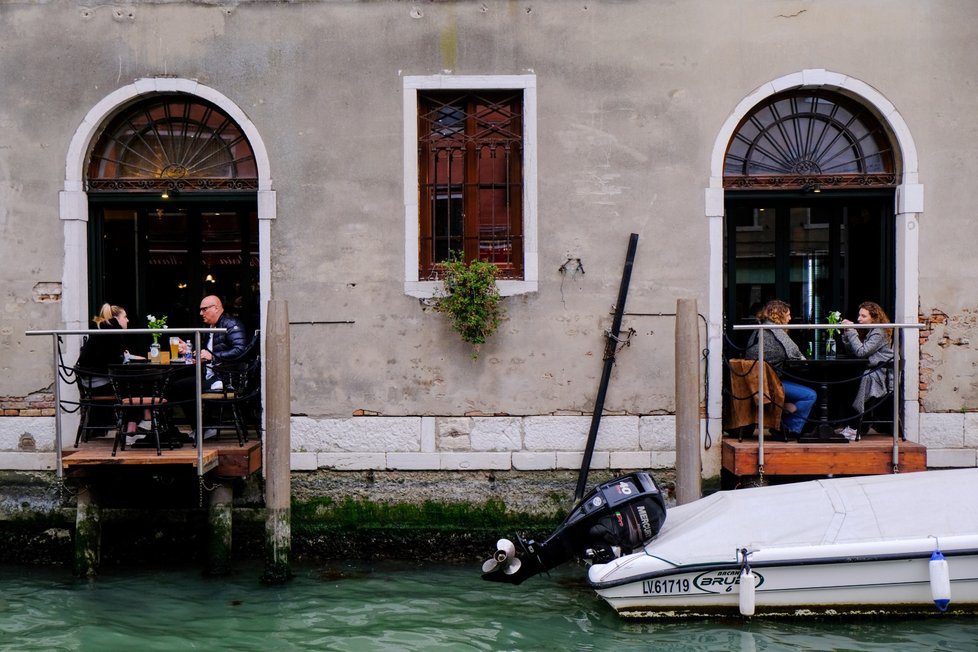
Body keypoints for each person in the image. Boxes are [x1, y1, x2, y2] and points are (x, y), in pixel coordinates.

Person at [172, 295, 248, 439]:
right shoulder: (213, 327)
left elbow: (241, 350)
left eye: (204, 309)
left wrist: (212, 356)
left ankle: (205, 427)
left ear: (216, 308)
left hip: (227, 379)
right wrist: (190, 352)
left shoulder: (231, 324)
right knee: (176, 384)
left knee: (182, 387)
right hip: (214, 374)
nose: (201, 313)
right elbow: (208, 352)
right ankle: (203, 426)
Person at [744, 299, 817, 438]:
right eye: (788, 315)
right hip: (769, 385)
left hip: (758, 381)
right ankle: (788, 428)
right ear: (779, 315)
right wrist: (804, 360)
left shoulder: (761, 328)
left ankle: (786, 413)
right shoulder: (776, 332)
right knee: (810, 395)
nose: (790, 318)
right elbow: (795, 354)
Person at [839, 302, 895, 439]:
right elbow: (853, 350)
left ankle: (854, 427)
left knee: (854, 381)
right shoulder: (871, 330)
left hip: (881, 374)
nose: (859, 319)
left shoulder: (879, 331)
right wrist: (847, 334)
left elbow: (861, 352)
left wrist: (852, 331)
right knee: (845, 378)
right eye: (859, 315)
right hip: (871, 368)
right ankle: (852, 425)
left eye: (863, 316)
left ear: (874, 318)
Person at [75, 303, 140, 396]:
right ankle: (145, 409)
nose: (127, 320)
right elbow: (116, 360)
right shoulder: (112, 332)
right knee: (135, 384)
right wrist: (128, 358)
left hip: (89, 380)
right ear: (116, 318)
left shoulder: (104, 330)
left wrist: (128, 357)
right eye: (125, 317)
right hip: (99, 382)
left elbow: (109, 355)